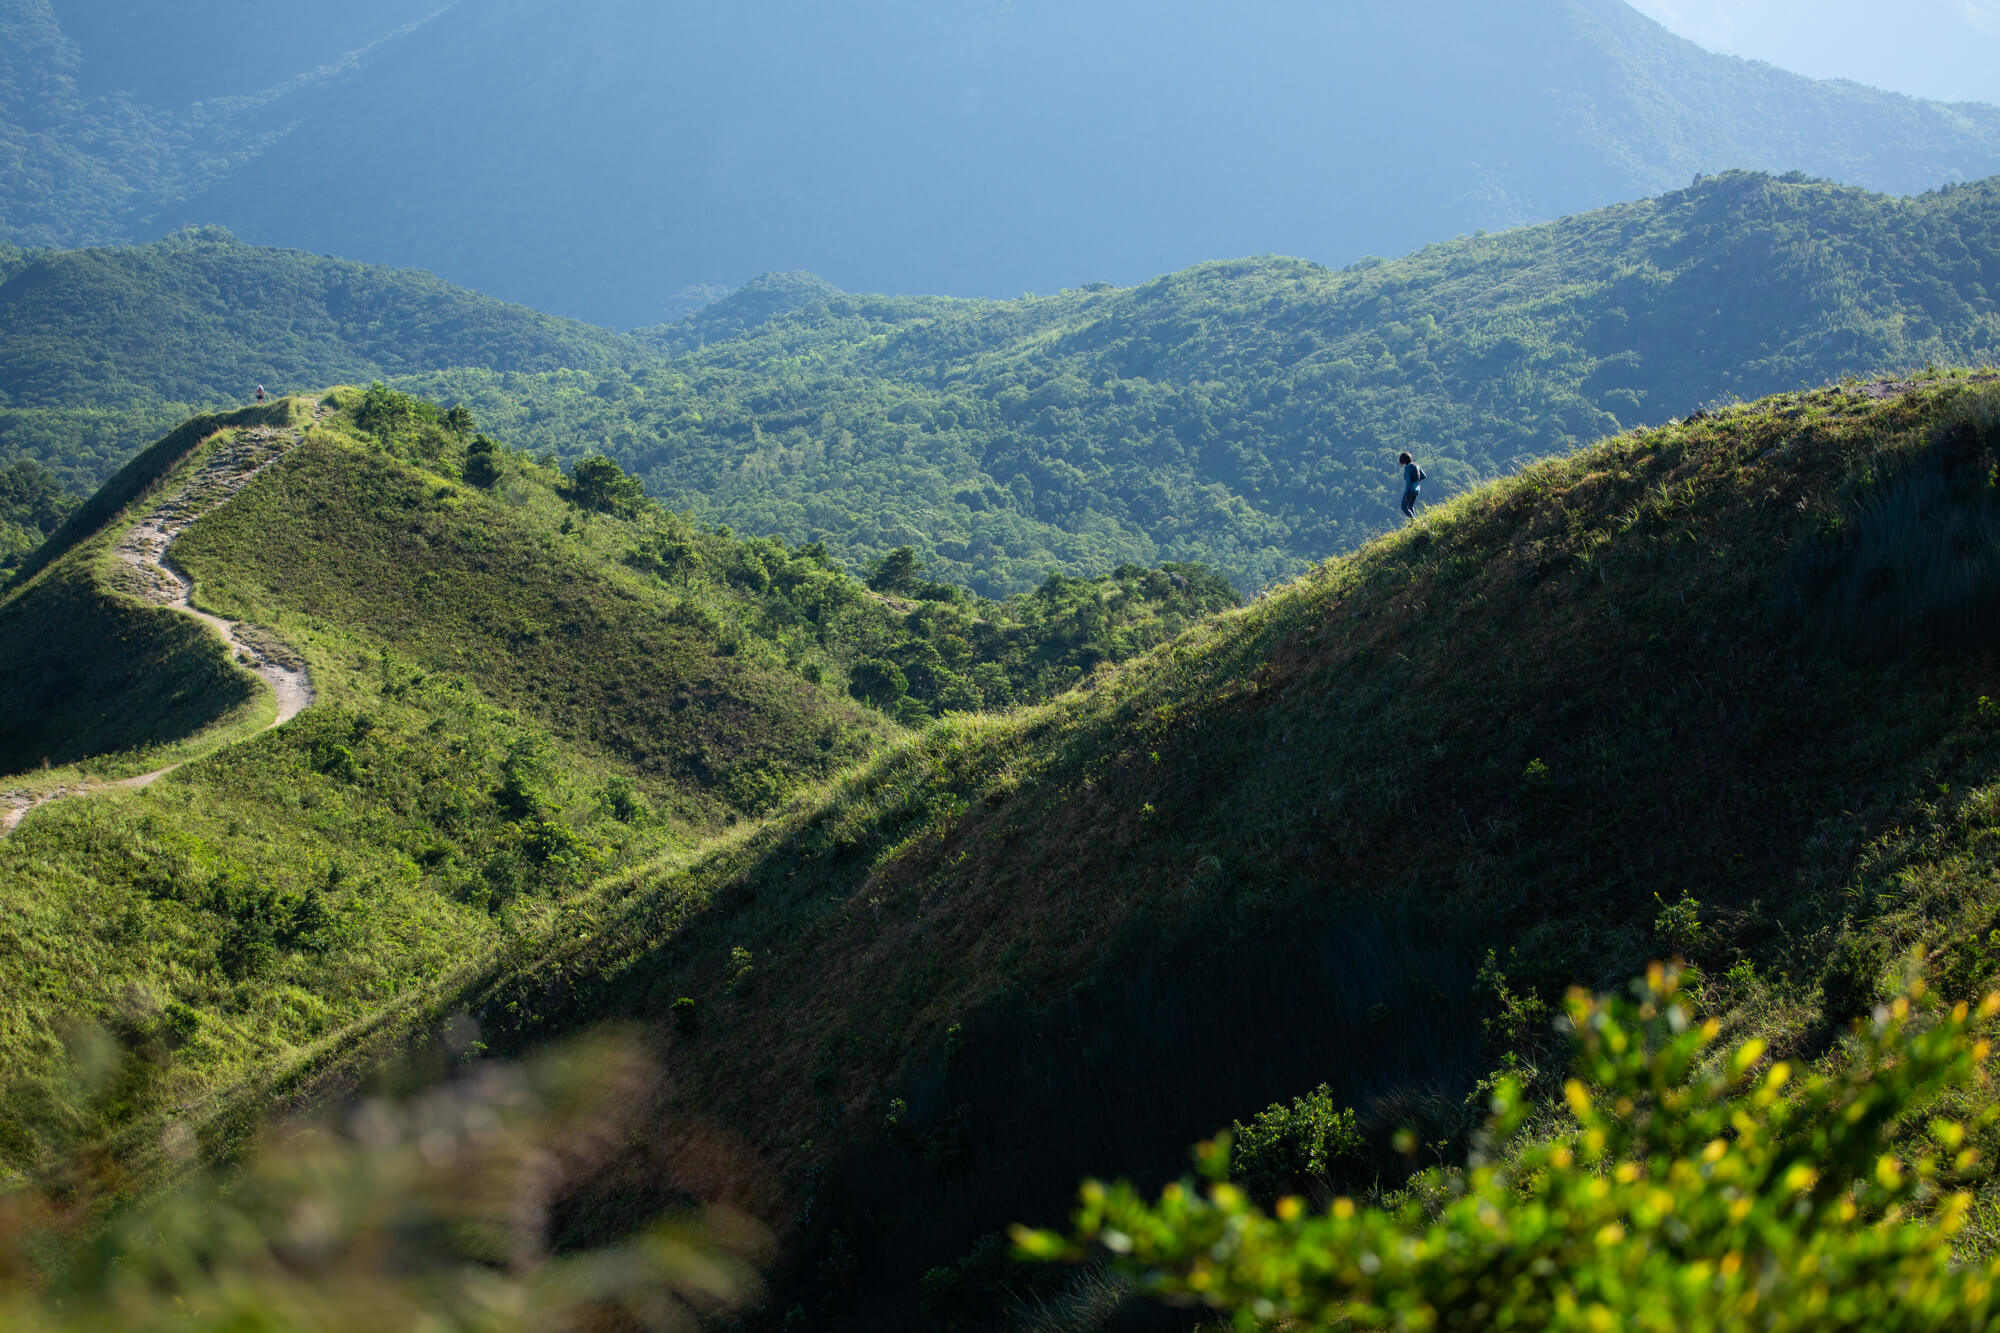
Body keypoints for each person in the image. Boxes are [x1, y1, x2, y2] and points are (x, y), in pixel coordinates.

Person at [1398, 451, 1426, 521]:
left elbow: (1408, 482)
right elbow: (1424, 476)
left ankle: (1414, 521)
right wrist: (1416, 481)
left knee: (1404, 507)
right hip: (1417, 490)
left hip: (1410, 490)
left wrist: (1406, 493)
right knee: (1410, 506)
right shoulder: (1416, 465)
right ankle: (1415, 522)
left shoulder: (1407, 468)